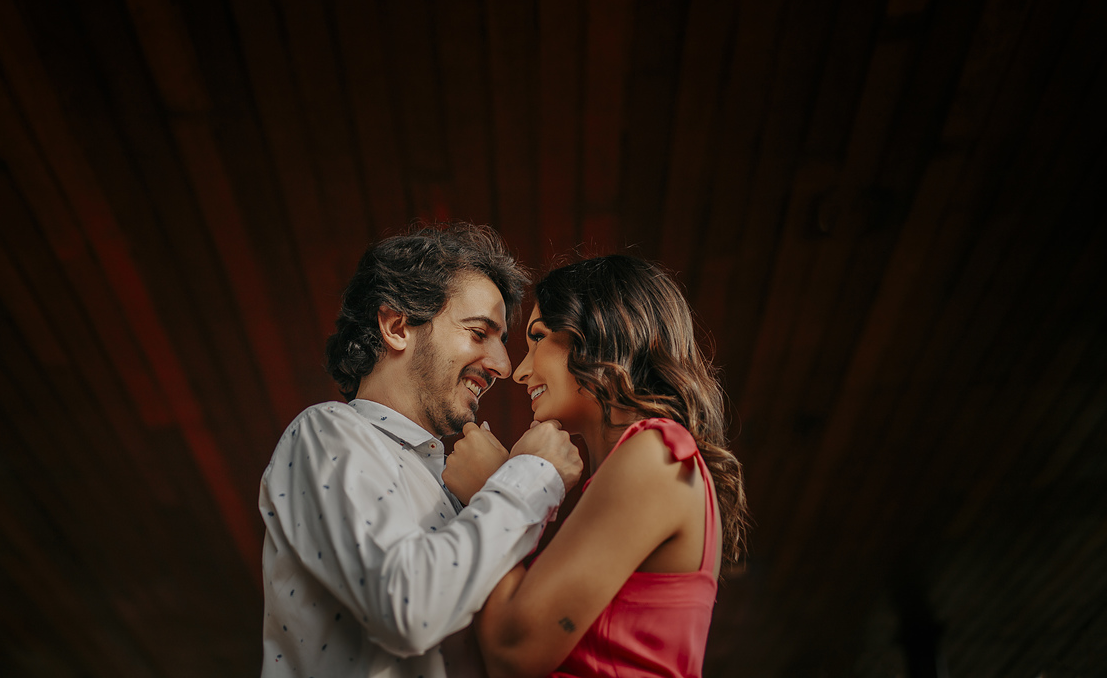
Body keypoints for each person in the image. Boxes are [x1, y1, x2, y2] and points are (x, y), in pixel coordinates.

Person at [258, 224, 584, 677]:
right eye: (477, 333)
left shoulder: (458, 490)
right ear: (396, 327)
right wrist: (532, 475)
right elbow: (408, 609)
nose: (504, 366)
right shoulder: (326, 432)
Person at [444, 255, 749, 678]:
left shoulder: (656, 453)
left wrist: (494, 489)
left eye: (538, 338)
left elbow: (513, 652)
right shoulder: (645, 460)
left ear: (597, 333)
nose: (521, 371)